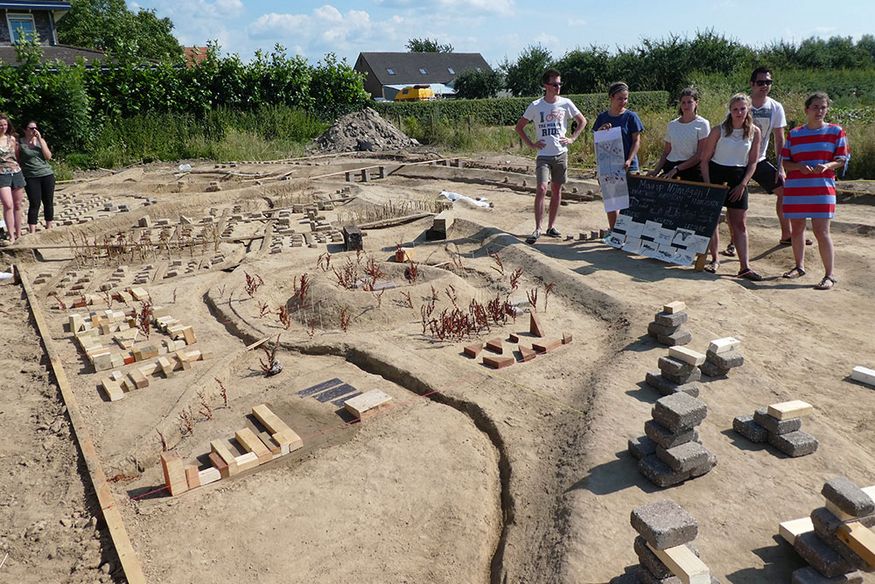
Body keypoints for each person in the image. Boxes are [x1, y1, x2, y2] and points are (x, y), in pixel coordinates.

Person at [780, 92, 849, 290]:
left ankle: (829, 275)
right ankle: (799, 267)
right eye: (815, 107)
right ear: (807, 110)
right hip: (796, 189)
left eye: (823, 107)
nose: (819, 111)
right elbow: (785, 161)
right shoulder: (794, 134)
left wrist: (828, 166)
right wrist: (798, 167)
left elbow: (842, 159)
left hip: (822, 188)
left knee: (821, 231)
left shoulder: (836, 132)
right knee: (797, 229)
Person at [515, 68, 587, 244]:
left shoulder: (566, 103)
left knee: (557, 189)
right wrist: (531, 144)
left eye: (560, 84)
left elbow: (582, 121)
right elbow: (519, 127)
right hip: (543, 156)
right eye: (555, 84)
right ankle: (538, 228)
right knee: (541, 188)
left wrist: (572, 138)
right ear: (546, 85)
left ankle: (551, 226)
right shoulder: (536, 105)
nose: (558, 87)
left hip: (561, 154)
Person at [699, 93, 763, 280]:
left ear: (748, 109)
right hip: (716, 175)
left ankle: (744, 267)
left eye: (742, 108)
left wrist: (743, 184)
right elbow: (704, 160)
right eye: (735, 109)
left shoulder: (754, 131)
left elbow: (753, 163)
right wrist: (708, 184)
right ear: (730, 110)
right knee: (712, 221)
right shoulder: (718, 130)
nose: (739, 112)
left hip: (738, 178)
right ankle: (714, 259)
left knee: (739, 224)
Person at [595, 82, 644, 228]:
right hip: (609, 165)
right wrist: (601, 131)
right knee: (612, 200)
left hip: (629, 166)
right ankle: (614, 231)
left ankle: (626, 233)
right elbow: (597, 142)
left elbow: (636, 141)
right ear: (611, 97)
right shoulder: (602, 117)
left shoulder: (631, 117)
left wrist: (629, 159)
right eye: (620, 98)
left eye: (625, 98)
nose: (623, 102)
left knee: (628, 202)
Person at [649, 87, 709, 182]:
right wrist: (656, 170)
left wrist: (677, 169)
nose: (686, 105)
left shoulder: (702, 124)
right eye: (683, 102)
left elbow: (700, 155)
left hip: (691, 169)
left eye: (689, 102)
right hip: (670, 167)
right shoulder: (672, 125)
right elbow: (666, 152)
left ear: (696, 103)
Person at [19, 121, 55, 233]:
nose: (34, 130)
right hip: (31, 176)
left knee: (48, 201)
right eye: (31, 128)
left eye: (35, 128)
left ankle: (49, 227)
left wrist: (40, 140)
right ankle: (32, 230)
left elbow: (48, 156)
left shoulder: (40, 141)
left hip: (46, 174)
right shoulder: (20, 143)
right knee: (35, 203)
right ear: (25, 130)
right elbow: (18, 160)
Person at [0, 114, 25, 246]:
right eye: (1, 125)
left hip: (16, 172)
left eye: (5, 125)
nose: (3, 127)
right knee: (7, 204)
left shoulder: (13, 139)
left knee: (17, 205)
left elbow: (17, 156)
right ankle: (11, 235)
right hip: (1, 174)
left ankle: (19, 233)